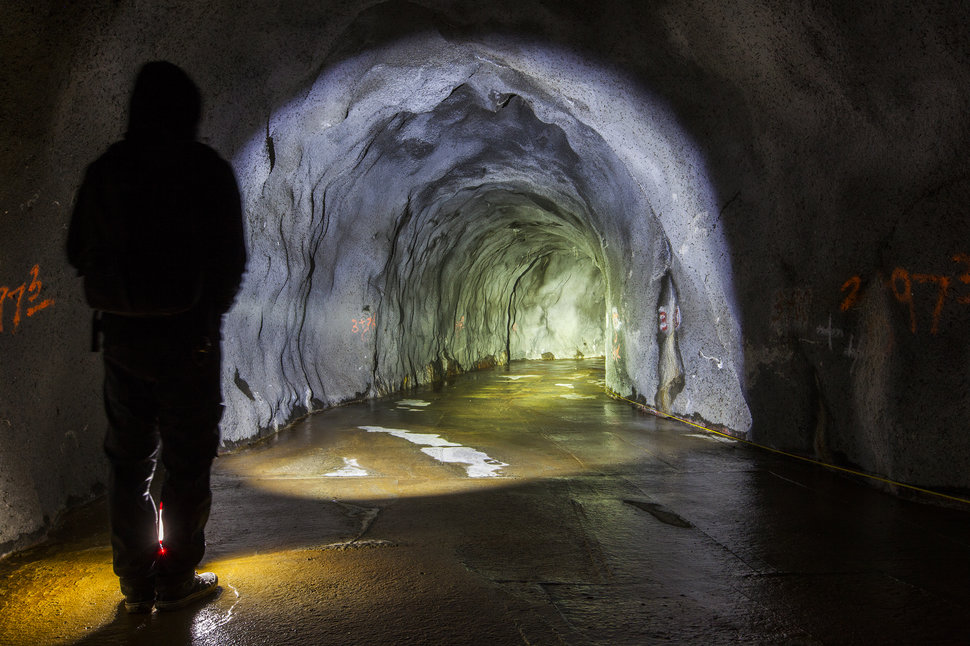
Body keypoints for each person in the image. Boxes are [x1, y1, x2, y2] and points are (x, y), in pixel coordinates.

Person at [67, 61, 246, 613]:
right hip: (189, 344)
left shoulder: (106, 171)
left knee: (129, 462)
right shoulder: (205, 171)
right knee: (187, 463)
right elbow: (231, 261)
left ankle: (135, 581)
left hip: (123, 344)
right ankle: (176, 579)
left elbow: (77, 251)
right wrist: (205, 314)